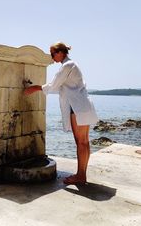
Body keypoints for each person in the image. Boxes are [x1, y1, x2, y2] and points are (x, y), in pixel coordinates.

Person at [24, 42, 98, 185]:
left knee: (81, 142)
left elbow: (53, 85)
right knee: (83, 142)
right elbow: (61, 88)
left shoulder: (67, 66)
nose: (52, 58)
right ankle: (81, 174)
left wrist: (35, 88)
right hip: (81, 106)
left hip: (78, 107)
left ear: (60, 52)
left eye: (53, 54)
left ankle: (80, 176)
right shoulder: (70, 65)